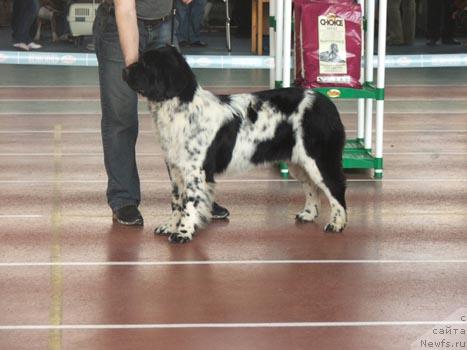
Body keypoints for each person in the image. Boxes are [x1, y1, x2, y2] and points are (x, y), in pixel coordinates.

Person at [93, 0, 229, 226]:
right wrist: (135, 72)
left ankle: (195, 196)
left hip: (163, 24)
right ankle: (123, 199)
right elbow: (125, 9)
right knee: (121, 118)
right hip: (119, 26)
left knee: (181, 118)